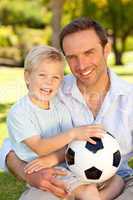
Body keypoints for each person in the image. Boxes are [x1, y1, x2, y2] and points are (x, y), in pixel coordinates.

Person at [0, 17, 133, 199]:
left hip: (118, 180)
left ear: (106, 49)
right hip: (63, 176)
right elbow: (11, 145)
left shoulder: (130, 98)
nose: (81, 65)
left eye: (89, 52)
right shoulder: (53, 91)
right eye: (72, 57)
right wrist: (29, 174)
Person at [6, 44, 109, 200]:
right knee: (88, 193)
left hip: (66, 165)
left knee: (116, 180)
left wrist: (61, 151)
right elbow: (40, 147)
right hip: (43, 172)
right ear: (27, 77)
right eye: (42, 75)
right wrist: (74, 133)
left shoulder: (59, 107)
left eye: (55, 77)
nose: (49, 82)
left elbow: (68, 147)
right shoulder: (19, 112)